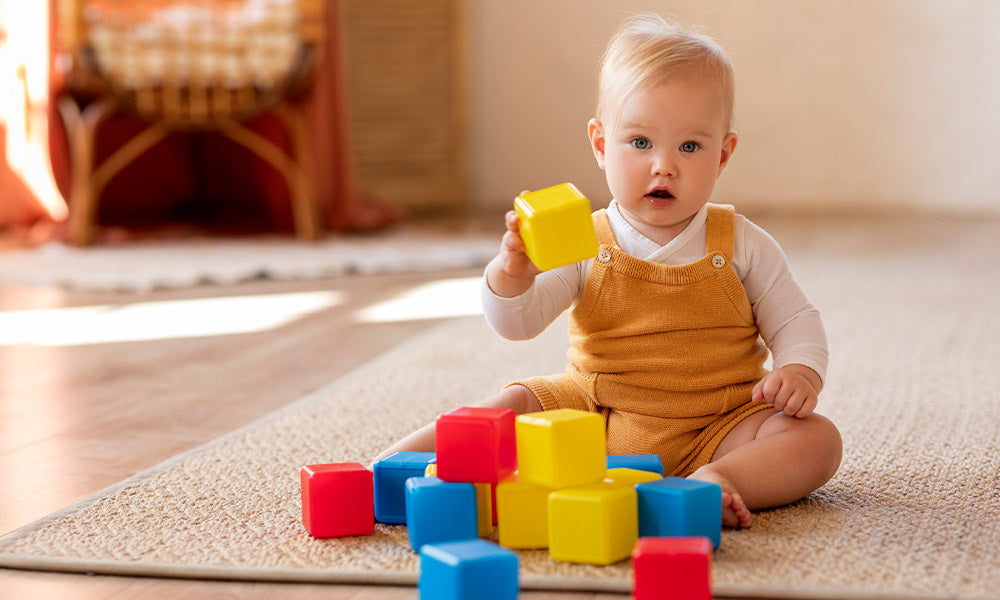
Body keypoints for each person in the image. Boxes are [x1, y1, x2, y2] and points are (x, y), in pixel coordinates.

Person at [375, 13, 842, 528]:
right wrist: (513, 275)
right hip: (594, 417)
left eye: (690, 146)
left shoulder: (742, 242)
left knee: (815, 438)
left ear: (723, 154)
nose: (664, 165)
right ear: (601, 145)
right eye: (640, 143)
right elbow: (518, 324)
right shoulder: (582, 240)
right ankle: (393, 468)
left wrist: (799, 368)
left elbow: (795, 316)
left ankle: (724, 480)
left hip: (719, 423)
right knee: (515, 401)